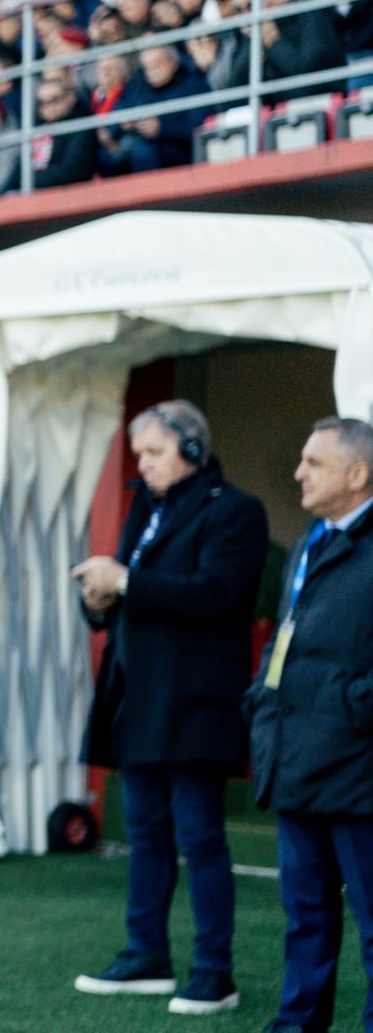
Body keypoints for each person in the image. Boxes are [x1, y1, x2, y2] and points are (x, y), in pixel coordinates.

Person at [72, 401, 266, 1017]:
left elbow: (215, 594)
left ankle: (215, 972)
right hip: (139, 696)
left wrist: (123, 581)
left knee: (201, 837)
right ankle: (146, 955)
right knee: (147, 833)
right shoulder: (147, 508)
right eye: (141, 455)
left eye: (155, 453)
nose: (145, 466)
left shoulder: (236, 511)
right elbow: (126, 595)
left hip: (195, 703)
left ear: (190, 448)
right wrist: (100, 598)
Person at [249, 417, 373, 1033]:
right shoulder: (310, 540)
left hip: (358, 767)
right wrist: (263, 701)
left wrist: (349, 705)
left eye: (312, 463)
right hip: (297, 755)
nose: (298, 472)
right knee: (306, 914)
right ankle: (295, 1026)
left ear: (358, 474)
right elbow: (288, 639)